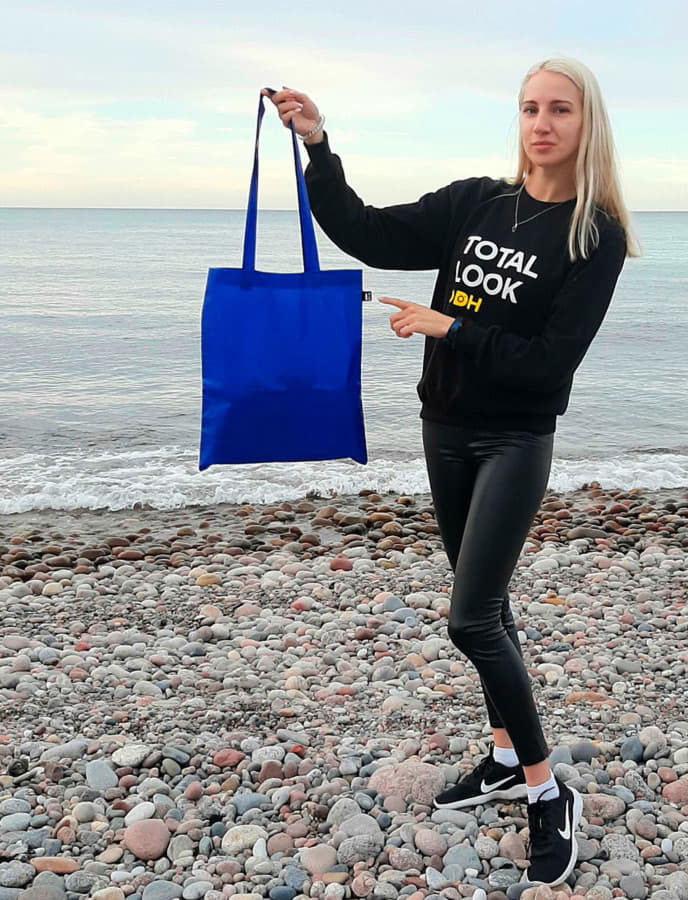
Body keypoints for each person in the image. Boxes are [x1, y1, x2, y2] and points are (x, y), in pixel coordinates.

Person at [263, 57, 639, 888]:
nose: (542, 123)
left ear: (588, 123)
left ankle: (547, 792)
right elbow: (365, 232)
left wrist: (452, 326)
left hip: (515, 439)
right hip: (446, 427)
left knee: (469, 622)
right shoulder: (478, 202)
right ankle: (504, 758)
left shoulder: (595, 234)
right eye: (530, 108)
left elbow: (549, 364)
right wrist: (319, 146)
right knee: (490, 605)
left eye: (560, 109)